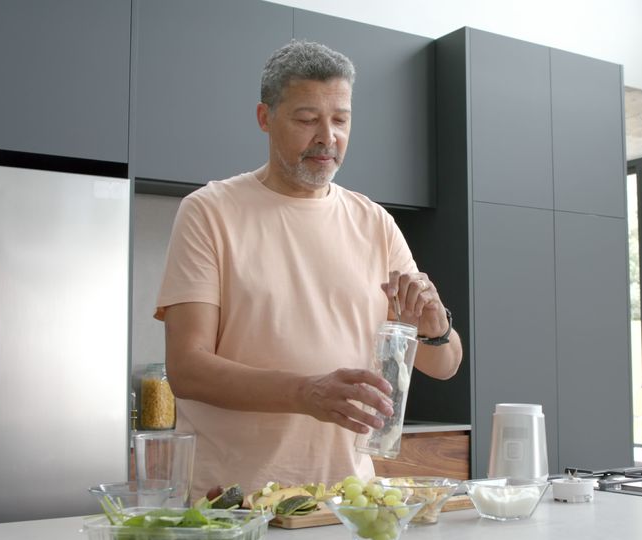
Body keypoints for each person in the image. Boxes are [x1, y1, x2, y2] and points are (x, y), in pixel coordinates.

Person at [154, 40, 463, 498]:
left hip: (348, 501)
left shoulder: (374, 222)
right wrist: (306, 393)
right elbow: (187, 368)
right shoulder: (209, 211)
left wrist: (435, 330)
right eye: (306, 119)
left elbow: (444, 364)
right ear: (265, 118)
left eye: (340, 120)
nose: (327, 137)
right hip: (234, 501)